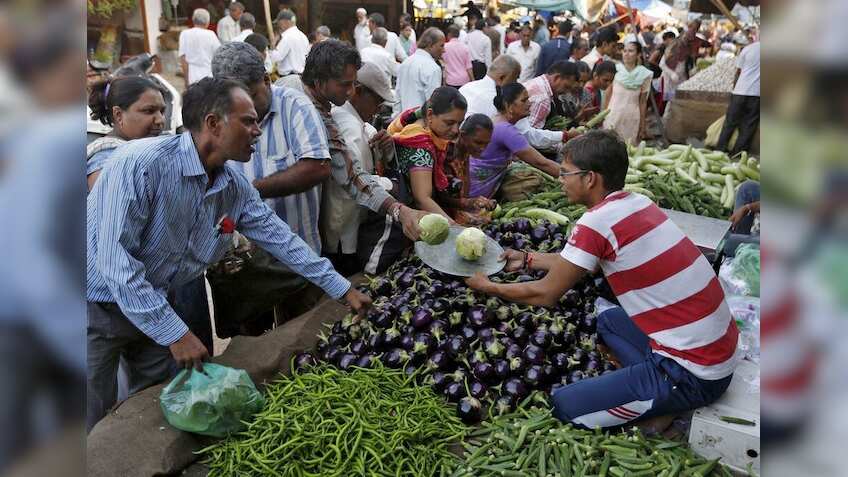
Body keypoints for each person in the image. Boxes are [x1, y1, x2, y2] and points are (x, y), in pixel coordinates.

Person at [86, 77, 372, 431]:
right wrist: (175, 333)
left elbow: (281, 239)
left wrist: (341, 288)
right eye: (249, 121)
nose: (258, 131)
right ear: (213, 123)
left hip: (153, 303)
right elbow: (116, 262)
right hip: (93, 307)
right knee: (88, 411)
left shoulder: (232, 185)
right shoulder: (140, 165)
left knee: (156, 410)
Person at [466, 130, 740, 430]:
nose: (560, 178)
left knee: (565, 405)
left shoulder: (595, 223)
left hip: (694, 374)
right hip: (714, 351)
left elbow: (545, 294)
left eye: (566, 172)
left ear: (590, 178)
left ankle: (666, 401)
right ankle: (648, 393)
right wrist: (528, 259)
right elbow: (580, 264)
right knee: (607, 320)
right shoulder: (637, 203)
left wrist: (489, 287)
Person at [212, 41, 425, 251]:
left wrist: (396, 209)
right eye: (345, 84)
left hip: (294, 248)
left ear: (267, 81)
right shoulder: (287, 89)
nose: (351, 92)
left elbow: (348, 174)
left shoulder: (307, 110)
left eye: (352, 84)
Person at [323, 62, 398, 274]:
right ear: (358, 91)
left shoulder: (360, 123)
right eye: (376, 101)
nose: (378, 109)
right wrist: (390, 184)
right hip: (343, 230)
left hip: (350, 225)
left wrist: (384, 149)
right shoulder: (347, 124)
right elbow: (350, 176)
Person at [469, 82, 561, 199]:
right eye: (524, 100)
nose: (529, 103)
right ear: (509, 106)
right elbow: (541, 163)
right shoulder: (506, 131)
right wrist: (570, 176)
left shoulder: (496, 121)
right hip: (475, 192)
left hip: (473, 183)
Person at [461, 55, 569, 152]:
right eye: (515, 78)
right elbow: (527, 135)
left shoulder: (466, 87)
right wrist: (564, 135)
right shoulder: (500, 100)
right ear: (502, 78)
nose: (517, 83)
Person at [389, 86, 467, 219]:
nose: (455, 130)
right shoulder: (421, 147)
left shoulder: (414, 121)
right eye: (450, 123)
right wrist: (455, 227)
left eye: (459, 123)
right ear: (430, 115)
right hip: (409, 219)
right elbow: (422, 199)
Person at [86, 76, 166, 191]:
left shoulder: (141, 152)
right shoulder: (107, 163)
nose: (160, 120)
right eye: (149, 111)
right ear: (118, 114)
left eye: (162, 112)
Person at [438, 114, 496, 225]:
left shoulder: (465, 153)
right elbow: (441, 197)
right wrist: (470, 203)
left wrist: (474, 203)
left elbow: (465, 191)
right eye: (478, 142)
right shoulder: (447, 154)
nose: (482, 148)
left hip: (456, 210)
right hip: (442, 213)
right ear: (463, 136)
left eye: (486, 144)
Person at [602, 42, 653, 145]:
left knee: (628, 149)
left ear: (638, 54)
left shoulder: (645, 74)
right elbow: (607, 94)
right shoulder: (615, 69)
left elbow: (643, 102)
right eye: (625, 51)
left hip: (632, 118)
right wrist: (603, 116)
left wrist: (642, 126)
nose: (626, 54)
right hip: (613, 115)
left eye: (631, 51)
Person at [716, 41, 759, 156]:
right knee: (748, 126)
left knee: (730, 123)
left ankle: (720, 151)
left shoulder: (747, 49)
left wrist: (735, 89)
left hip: (739, 92)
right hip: (756, 94)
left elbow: (738, 72)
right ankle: (737, 154)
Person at [396, 27, 445, 113]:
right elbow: (433, 103)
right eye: (441, 45)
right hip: (420, 121)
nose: (444, 50)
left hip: (402, 119)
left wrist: (396, 119)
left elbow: (397, 95)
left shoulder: (406, 62)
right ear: (431, 45)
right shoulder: (433, 67)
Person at [523, 60, 581, 129]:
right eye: (566, 87)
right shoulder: (543, 99)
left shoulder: (538, 82)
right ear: (556, 78)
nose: (566, 92)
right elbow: (530, 134)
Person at [178, 8, 221, 87]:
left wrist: (186, 80)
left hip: (192, 77)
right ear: (207, 22)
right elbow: (219, 56)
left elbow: (183, 59)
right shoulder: (211, 34)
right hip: (209, 76)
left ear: (193, 20)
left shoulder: (185, 34)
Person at [271, 9, 309, 89]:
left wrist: (273, 45)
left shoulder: (287, 37)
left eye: (279, 23)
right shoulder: (303, 36)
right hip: (302, 79)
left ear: (285, 22)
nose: (278, 26)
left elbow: (276, 58)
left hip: (288, 80)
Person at [466, 14, 492, 80]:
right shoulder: (486, 39)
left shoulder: (468, 36)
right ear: (483, 27)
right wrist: (489, 71)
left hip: (469, 65)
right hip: (480, 66)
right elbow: (488, 57)